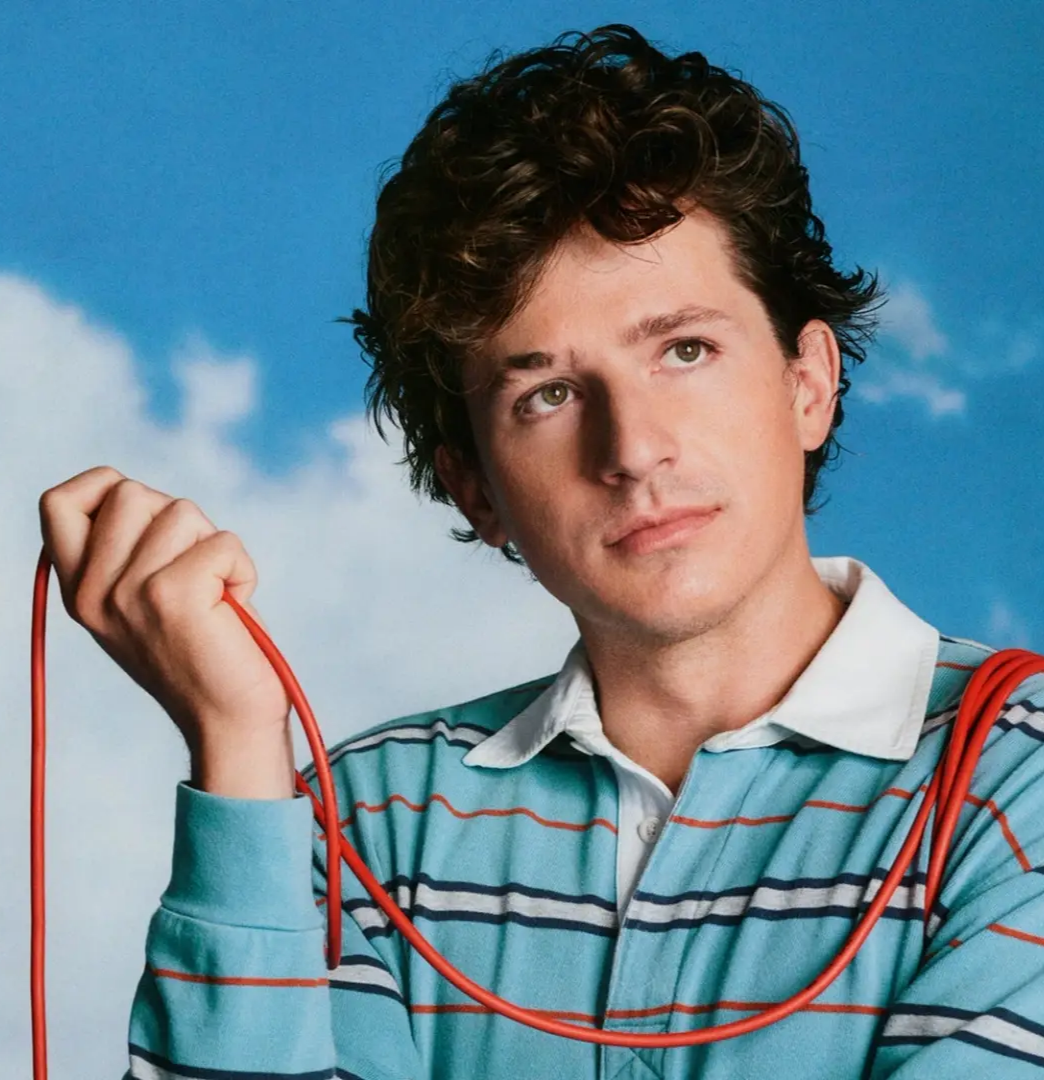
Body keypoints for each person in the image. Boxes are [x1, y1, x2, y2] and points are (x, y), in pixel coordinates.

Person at [38, 24, 1044, 1080]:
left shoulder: (1013, 781)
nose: (634, 448)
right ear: (475, 487)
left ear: (808, 383)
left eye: (684, 350)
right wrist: (241, 750)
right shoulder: (366, 824)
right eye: (548, 394)